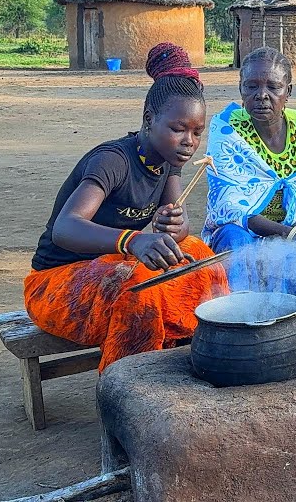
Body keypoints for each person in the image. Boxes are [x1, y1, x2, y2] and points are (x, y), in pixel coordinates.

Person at [24, 43, 227, 372]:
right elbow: (65, 227)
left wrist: (173, 227)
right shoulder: (113, 160)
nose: (189, 141)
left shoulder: (168, 161)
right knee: (139, 288)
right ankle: (128, 382)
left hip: (112, 268)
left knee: (201, 256)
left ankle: (196, 356)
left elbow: (178, 233)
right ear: (149, 120)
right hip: (56, 285)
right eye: (178, 129)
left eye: (197, 132)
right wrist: (134, 240)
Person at [203, 47, 296, 315]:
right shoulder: (228, 129)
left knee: (295, 258)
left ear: (288, 92)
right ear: (240, 90)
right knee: (235, 245)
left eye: (273, 87)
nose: (261, 95)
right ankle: (238, 319)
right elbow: (231, 208)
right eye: (252, 86)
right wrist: (291, 234)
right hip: (244, 228)